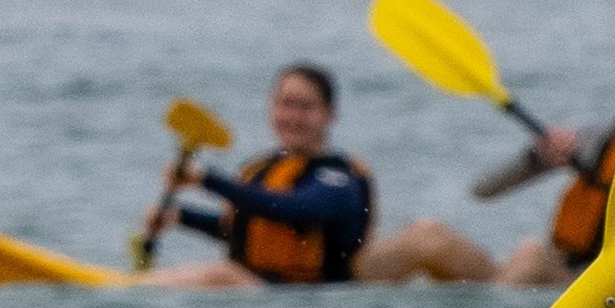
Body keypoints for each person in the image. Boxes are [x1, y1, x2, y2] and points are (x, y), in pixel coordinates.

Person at [153, 61, 489, 290]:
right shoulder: (259, 169)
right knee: (224, 275)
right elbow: (245, 232)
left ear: (330, 115)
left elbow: (298, 210)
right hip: (269, 290)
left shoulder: (338, 177)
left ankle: (125, 288)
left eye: (306, 107)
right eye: (286, 105)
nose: (293, 117)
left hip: (313, 294)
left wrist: (207, 180)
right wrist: (180, 217)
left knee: (221, 276)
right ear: (272, 109)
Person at [471, 21, 615, 294]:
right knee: (426, 237)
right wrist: (536, 156)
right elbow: (482, 190)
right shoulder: (599, 139)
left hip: (603, 292)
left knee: (530, 255)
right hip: (560, 273)